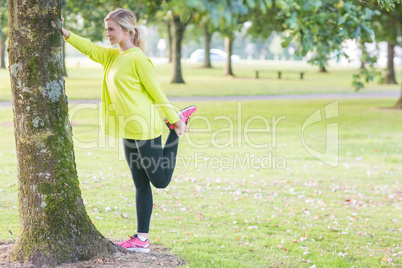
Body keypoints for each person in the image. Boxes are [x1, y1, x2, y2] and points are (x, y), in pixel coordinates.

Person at [59, 8, 197, 253]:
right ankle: (141, 238)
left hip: (146, 129)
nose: (108, 34)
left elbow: (156, 92)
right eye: (107, 29)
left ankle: (175, 130)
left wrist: (174, 119)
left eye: (111, 29)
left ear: (126, 30)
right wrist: (64, 32)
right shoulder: (112, 56)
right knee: (140, 183)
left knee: (161, 181)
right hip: (128, 131)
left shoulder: (138, 58)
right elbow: (90, 48)